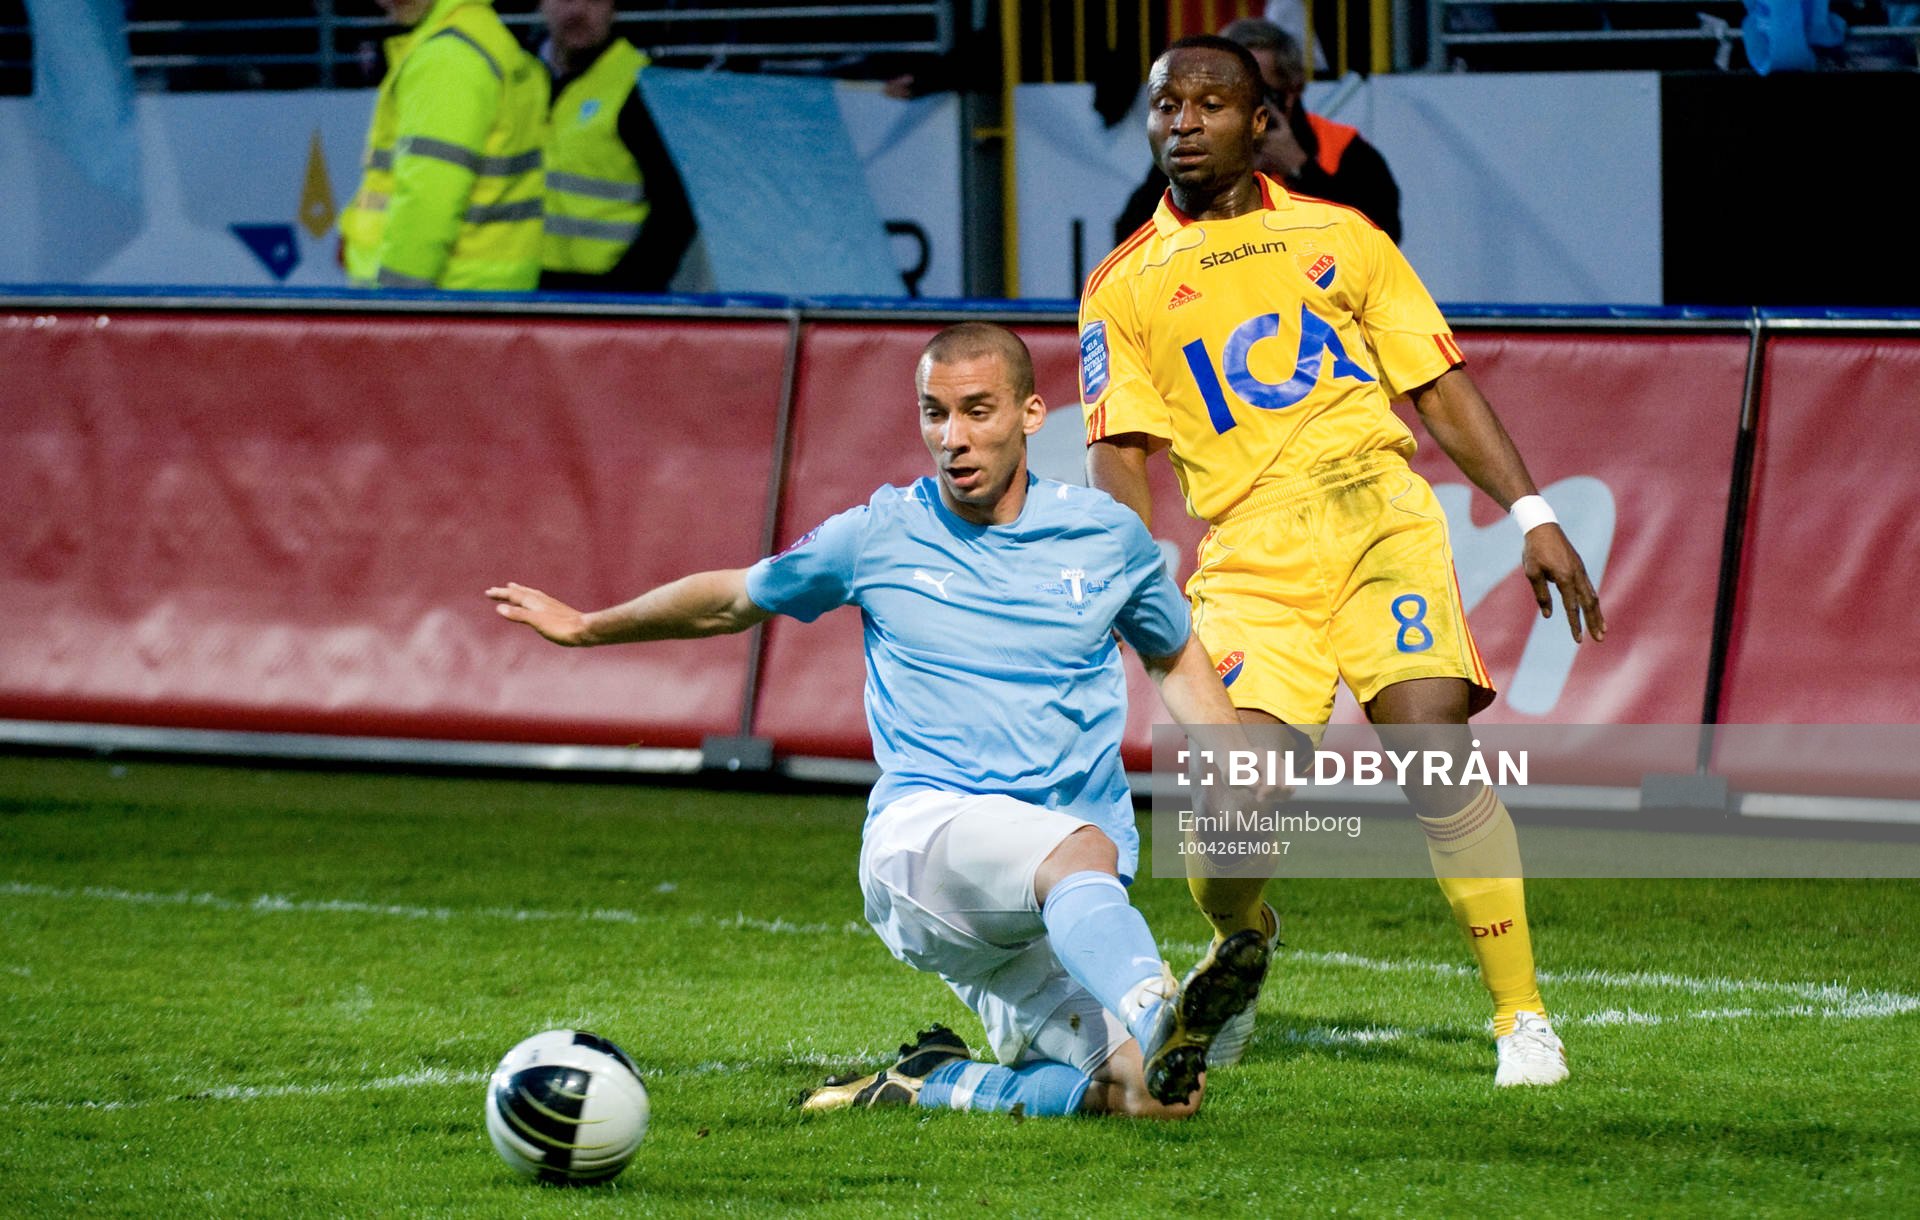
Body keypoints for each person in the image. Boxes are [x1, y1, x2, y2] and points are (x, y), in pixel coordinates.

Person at [487, 323, 1269, 1118]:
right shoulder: (879, 533)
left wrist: (1233, 764)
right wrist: (589, 627)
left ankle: (934, 1084)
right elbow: (732, 598)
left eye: (976, 412)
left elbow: (1173, 655)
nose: (952, 439)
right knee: (1080, 856)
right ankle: (1156, 1005)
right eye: (934, 414)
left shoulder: (1107, 538)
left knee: (1156, 1097)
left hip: (1039, 911)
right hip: (925, 850)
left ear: (1033, 414)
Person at [1080, 36, 1606, 1087]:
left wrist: (1532, 510)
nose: (1181, 122)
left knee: (1434, 755)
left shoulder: (1341, 234)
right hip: (1251, 558)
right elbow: (1117, 450)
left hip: (1379, 522)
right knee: (1233, 815)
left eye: (1209, 103)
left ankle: (1522, 1018)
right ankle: (1246, 935)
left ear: (1260, 117)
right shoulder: (1123, 282)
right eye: (1164, 106)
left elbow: (1438, 381)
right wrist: (1131, 581)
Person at [1112, 19, 1400, 246]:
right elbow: (1131, 237)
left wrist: (1300, 168)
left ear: (1292, 91)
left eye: (1259, 93)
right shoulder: (1192, 144)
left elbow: (1382, 238)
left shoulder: (1342, 148)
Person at [339, 0, 549, 290]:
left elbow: (427, 198)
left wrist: (393, 307)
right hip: (480, 294)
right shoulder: (479, 36)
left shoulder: (448, 58)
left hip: (445, 299)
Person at [536, 0, 696, 292]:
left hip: (607, 296)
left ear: (615, 7)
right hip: (526, 288)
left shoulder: (640, 86)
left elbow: (676, 210)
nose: (576, 10)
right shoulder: (522, 78)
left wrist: (630, 290)